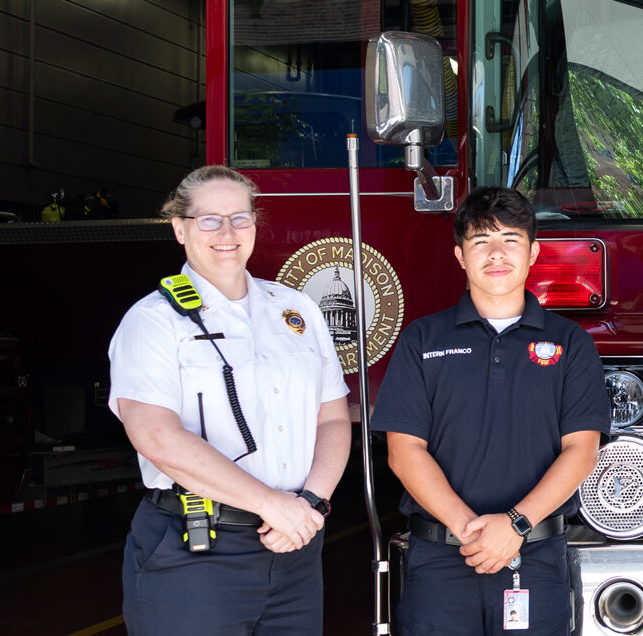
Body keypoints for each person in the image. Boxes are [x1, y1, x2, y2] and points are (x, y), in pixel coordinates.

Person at [108, 165, 348, 634]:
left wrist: (312, 503)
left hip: (295, 545)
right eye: (208, 220)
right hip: (196, 551)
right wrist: (271, 504)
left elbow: (333, 420)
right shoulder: (154, 321)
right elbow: (154, 436)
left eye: (239, 218)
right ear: (179, 229)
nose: (227, 232)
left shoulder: (297, 310)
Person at [371, 186, 611, 635]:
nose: (496, 254)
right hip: (440, 558)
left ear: (534, 252)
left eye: (511, 240)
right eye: (481, 241)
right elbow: (404, 453)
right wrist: (472, 531)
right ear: (460, 255)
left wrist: (515, 525)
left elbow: (582, 450)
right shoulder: (423, 340)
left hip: (535, 558)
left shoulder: (570, 342)